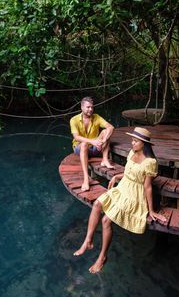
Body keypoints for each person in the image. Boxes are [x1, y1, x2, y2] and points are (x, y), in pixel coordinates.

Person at [73, 127, 167, 273]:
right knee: (97, 204)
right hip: (122, 187)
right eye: (132, 140)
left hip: (134, 193)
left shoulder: (150, 162)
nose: (132, 143)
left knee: (106, 220)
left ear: (144, 143)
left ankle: (102, 257)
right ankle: (88, 241)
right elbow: (129, 172)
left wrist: (151, 210)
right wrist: (117, 176)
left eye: (136, 141)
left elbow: (147, 187)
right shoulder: (132, 153)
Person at [70, 97, 114, 191]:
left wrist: (103, 141)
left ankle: (105, 159)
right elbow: (76, 137)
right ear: (82, 107)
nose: (90, 109)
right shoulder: (74, 120)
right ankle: (86, 178)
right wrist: (92, 141)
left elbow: (111, 127)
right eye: (88, 107)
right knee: (84, 144)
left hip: (95, 147)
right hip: (80, 148)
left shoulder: (96, 117)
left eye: (92, 107)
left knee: (106, 131)